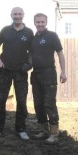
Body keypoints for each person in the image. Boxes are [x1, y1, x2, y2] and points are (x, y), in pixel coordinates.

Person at [0, 7, 34, 140]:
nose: (17, 16)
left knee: (21, 101)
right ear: (11, 15)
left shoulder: (29, 32)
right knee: (0, 100)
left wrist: (29, 64)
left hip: (21, 71)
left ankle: (21, 129)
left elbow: (31, 51)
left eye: (20, 14)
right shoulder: (5, 30)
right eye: (15, 14)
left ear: (23, 15)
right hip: (6, 70)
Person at [29, 13, 67, 144]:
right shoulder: (33, 39)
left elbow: (60, 53)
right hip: (36, 74)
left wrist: (63, 72)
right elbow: (30, 56)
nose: (40, 24)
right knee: (38, 104)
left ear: (46, 22)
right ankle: (43, 130)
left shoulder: (52, 36)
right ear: (34, 23)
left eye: (42, 22)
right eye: (37, 22)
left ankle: (54, 133)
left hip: (49, 73)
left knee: (49, 104)